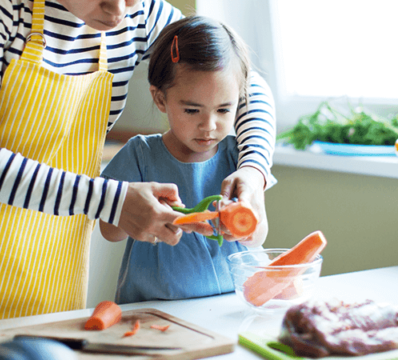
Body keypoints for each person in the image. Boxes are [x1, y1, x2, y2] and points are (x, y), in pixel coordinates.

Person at [0, 0, 275, 325]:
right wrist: (112, 201)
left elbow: (246, 79)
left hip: (46, 272)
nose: (118, 10)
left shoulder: (140, 11)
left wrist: (253, 170)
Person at [99, 16, 275, 304]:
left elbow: (259, 234)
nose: (209, 125)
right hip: (154, 308)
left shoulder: (239, 156)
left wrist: (243, 228)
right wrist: (142, 212)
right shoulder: (140, 154)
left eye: (223, 110)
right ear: (160, 99)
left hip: (232, 303)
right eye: (192, 111)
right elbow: (109, 231)